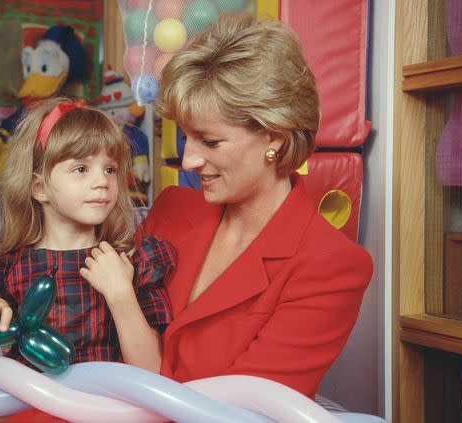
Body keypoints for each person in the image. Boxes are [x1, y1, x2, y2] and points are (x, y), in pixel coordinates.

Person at [136, 12, 373, 400]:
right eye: (185, 138)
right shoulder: (171, 208)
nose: (190, 160)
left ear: (275, 138)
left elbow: (248, 408)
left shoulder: (332, 266)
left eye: (210, 142)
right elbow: (97, 331)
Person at [0, 98, 175, 375]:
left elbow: (152, 372)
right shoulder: (1, 274)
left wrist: (121, 295)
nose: (102, 181)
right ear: (40, 188)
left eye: (110, 169)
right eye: (81, 169)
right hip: (28, 411)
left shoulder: (131, 264)